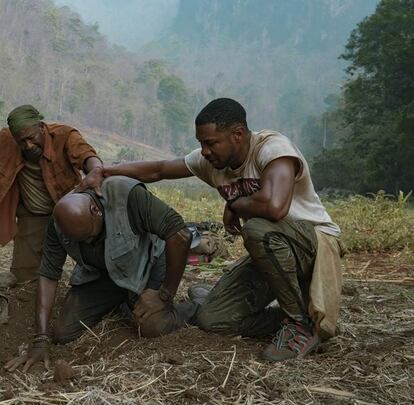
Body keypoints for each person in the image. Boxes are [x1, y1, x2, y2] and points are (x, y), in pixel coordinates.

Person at [79, 97, 343, 362]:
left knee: (258, 230)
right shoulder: (212, 162)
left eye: (210, 143)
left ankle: (300, 326)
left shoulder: (273, 149)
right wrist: (104, 171)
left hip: (313, 245)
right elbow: (159, 170)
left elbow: (275, 207)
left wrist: (236, 205)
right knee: (212, 319)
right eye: (201, 144)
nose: (204, 151)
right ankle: (300, 318)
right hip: (273, 255)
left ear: (237, 134)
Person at [5, 176, 194, 372]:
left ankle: (195, 308)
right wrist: (40, 339)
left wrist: (163, 294)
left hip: (148, 264)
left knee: (152, 326)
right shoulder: (59, 222)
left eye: (89, 237)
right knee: (63, 333)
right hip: (103, 274)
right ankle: (124, 299)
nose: (87, 244)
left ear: (95, 210)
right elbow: (49, 274)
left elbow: (180, 235)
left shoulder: (127, 196)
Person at [0, 105, 103, 287]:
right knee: (24, 279)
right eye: (21, 142)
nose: (28, 146)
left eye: (31, 138)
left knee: (93, 265)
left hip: (67, 212)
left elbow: (86, 155)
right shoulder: (6, 140)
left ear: (41, 126)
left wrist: (95, 171)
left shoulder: (64, 136)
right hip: (32, 215)